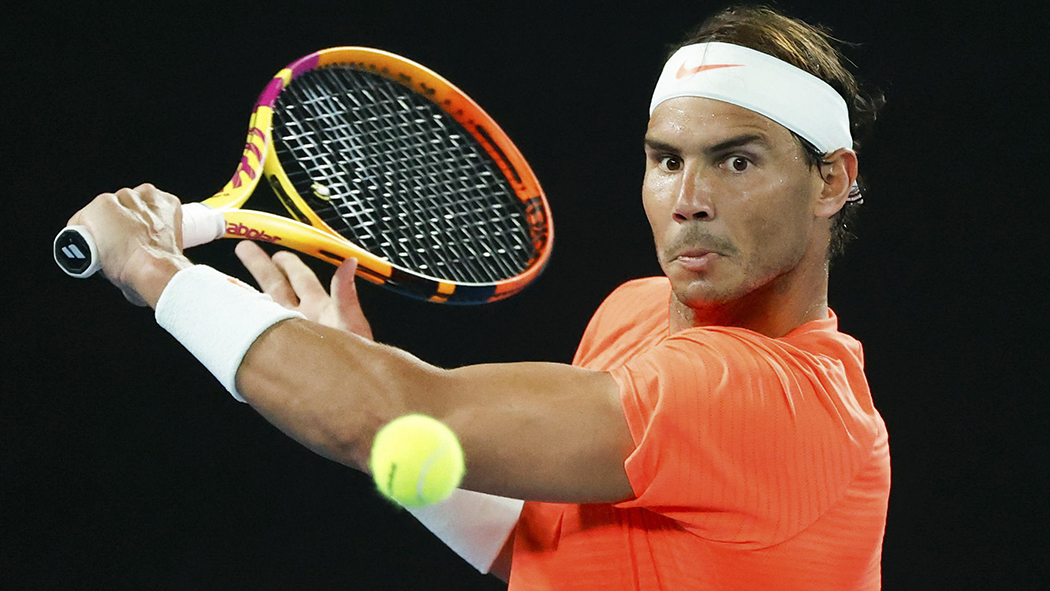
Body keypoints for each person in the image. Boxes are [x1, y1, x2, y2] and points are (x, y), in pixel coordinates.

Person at [64, 5, 890, 590]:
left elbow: (386, 414)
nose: (689, 200)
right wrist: (346, 369)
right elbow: (537, 547)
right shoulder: (636, 311)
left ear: (830, 181)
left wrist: (157, 271)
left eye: (737, 161)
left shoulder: (768, 399)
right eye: (667, 160)